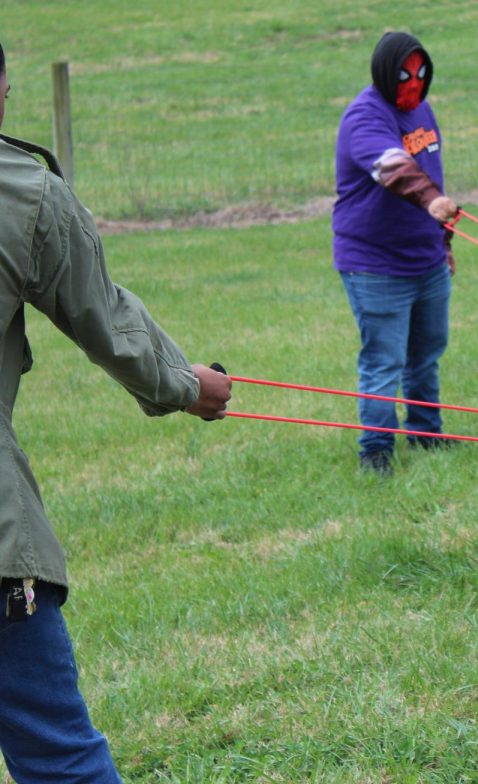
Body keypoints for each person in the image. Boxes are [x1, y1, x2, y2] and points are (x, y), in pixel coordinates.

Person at [0, 42, 232, 783]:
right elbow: (106, 318)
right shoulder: (23, 194)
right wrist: (191, 387)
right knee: (60, 758)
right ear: (3, 89)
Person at [332, 31, 460, 477]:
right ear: (385, 73)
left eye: (422, 73)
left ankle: (427, 432)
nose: (414, 82)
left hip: (426, 259)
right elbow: (392, 167)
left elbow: (432, 173)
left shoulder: (422, 110)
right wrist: (429, 199)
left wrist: (442, 243)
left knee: (426, 353)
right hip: (375, 265)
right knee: (385, 361)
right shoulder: (364, 118)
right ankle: (376, 453)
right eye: (405, 74)